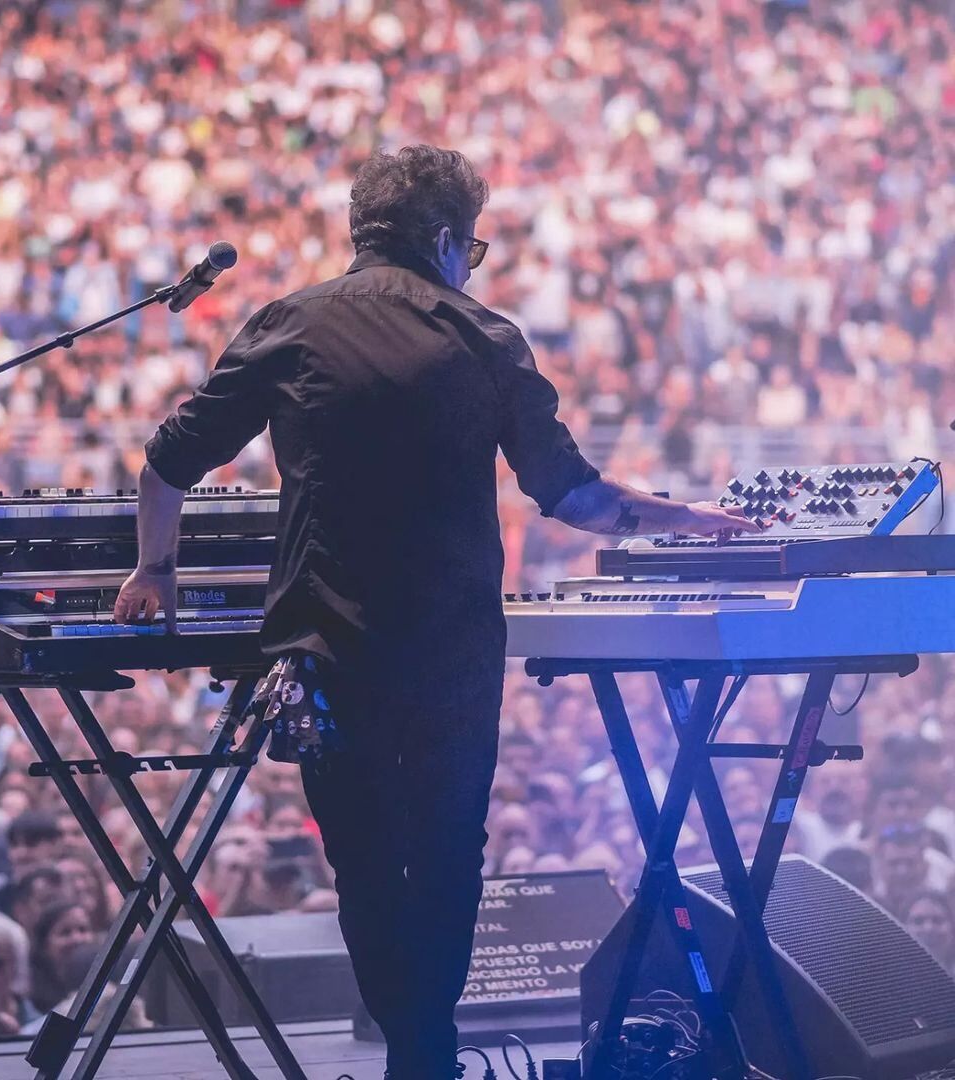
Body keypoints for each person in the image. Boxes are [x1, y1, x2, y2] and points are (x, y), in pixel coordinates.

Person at [114, 145, 756, 1079]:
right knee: (450, 853)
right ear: (449, 240)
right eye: (477, 247)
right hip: (450, 650)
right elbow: (573, 497)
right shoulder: (486, 339)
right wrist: (685, 520)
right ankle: (429, 1056)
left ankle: (421, 1055)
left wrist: (154, 571)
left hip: (324, 650)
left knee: (364, 864)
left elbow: (169, 462)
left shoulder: (287, 325)